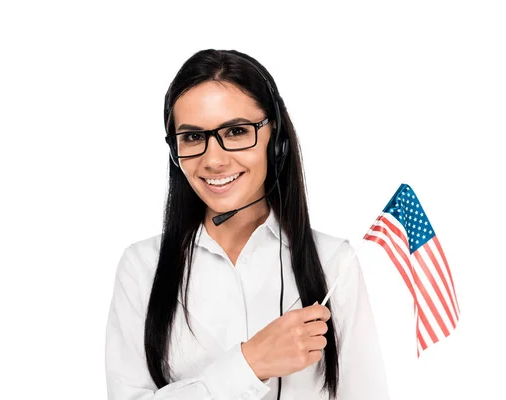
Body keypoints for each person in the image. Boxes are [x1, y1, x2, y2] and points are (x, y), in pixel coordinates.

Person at [105, 49, 389, 400]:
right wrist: (249, 364)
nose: (213, 160)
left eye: (237, 131)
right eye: (193, 137)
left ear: (277, 140)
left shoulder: (334, 261)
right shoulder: (142, 267)